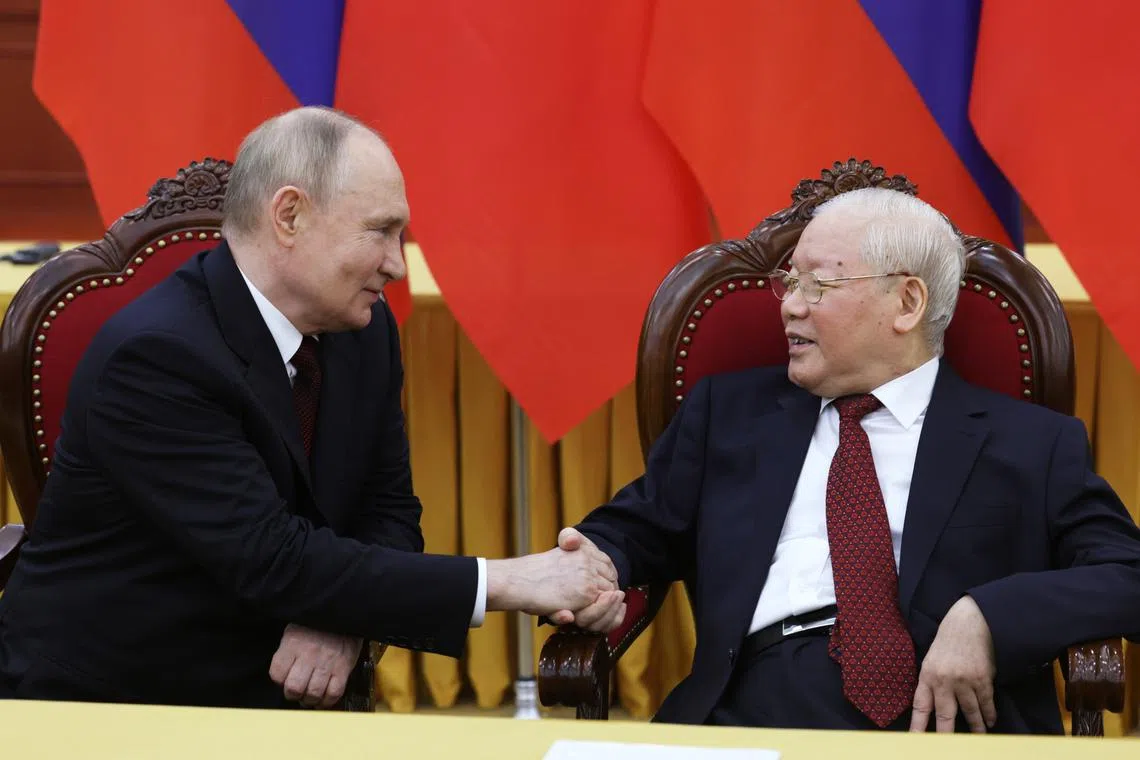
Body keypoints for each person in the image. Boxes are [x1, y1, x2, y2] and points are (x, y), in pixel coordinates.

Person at [0, 107, 620, 708]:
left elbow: (390, 511)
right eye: (379, 231)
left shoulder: (364, 331)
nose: (396, 264)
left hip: (280, 684)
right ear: (289, 215)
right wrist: (514, 581)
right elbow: (271, 558)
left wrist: (340, 622)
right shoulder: (156, 357)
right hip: (117, 702)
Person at [565, 187, 1140, 734]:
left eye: (817, 285)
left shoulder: (1032, 443)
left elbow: (1128, 577)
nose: (790, 306)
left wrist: (990, 616)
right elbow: (633, 531)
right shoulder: (729, 417)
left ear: (907, 303)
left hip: (949, 723)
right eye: (788, 282)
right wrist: (589, 566)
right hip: (755, 705)